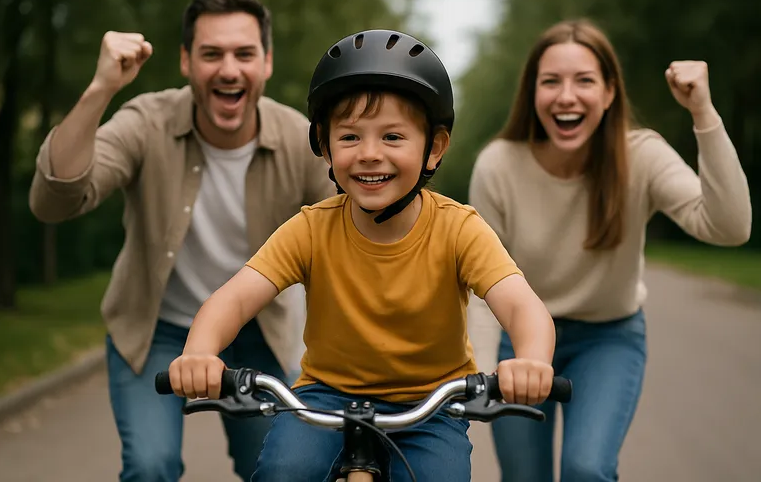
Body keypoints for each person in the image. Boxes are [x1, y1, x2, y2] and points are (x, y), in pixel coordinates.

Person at [166, 28, 559, 481]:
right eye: (350, 137)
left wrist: (531, 359)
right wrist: (200, 352)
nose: (370, 155)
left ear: (434, 148)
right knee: (283, 470)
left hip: (432, 403)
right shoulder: (311, 228)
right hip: (326, 396)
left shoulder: (459, 228)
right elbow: (233, 299)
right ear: (324, 145)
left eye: (393, 137)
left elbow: (521, 305)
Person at [28, 0, 334, 482]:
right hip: (158, 329)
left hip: (262, 332)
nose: (229, 69)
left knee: (281, 470)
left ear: (267, 64)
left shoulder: (300, 141)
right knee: (151, 466)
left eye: (244, 54)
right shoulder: (146, 122)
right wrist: (100, 89)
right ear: (187, 62)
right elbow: (53, 200)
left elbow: (355, 231)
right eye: (212, 54)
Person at [468, 18, 752, 482]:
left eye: (584, 81)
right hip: (519, 341)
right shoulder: (499, 165)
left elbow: (730, 227)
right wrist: (478, 373)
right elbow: (480, 285)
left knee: (587, 469)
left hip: (608, 338)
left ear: (609, 93)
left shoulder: (641, 155)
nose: (566, 96)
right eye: (551, 81)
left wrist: (703, 112)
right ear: (532, 93)